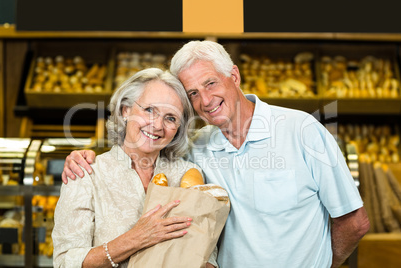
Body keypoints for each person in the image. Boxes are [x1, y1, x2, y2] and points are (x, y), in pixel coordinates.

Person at [62, 41, 370, 268]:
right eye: (193, 93)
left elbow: (355, 222)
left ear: (233, 76)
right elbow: (144, 146)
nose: (206, 100)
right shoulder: (198, 148)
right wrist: (84, 156)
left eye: (210, 83)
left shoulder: (300, 130)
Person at [53, 68, 218, 268]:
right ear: (125, 110)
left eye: (170, 118)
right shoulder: (86, 173)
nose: (157, 125)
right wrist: (136, 238)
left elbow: (207, 256)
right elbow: (65, 262)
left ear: (178, 129)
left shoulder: (188, 174)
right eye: (149, 110)